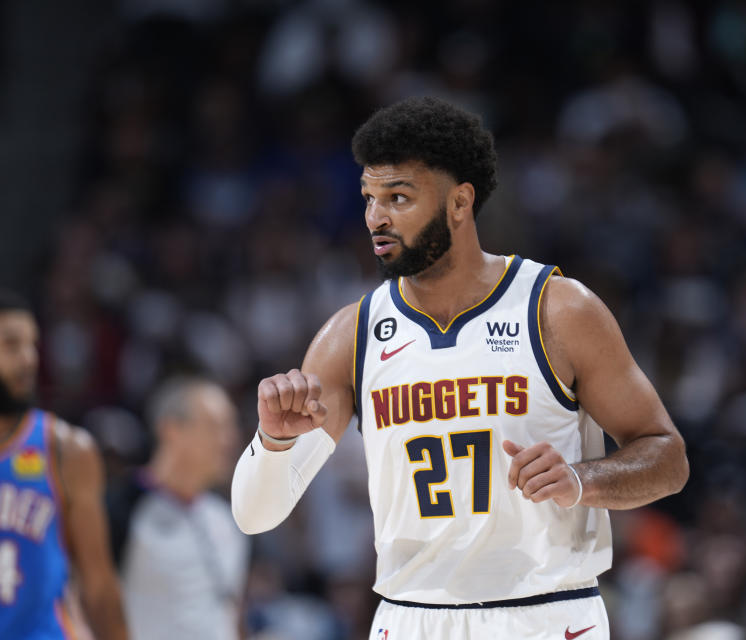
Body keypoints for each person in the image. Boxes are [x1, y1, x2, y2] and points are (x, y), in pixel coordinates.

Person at [231, 96, 689, 640]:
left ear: (459, 202)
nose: (377, 216)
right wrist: (274, 442)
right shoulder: (351, 334)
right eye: (369, 198)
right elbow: (254, 516)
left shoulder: (557, 309)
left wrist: (580, 479)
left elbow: (668, 457)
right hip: (411, 617)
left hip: (546, 612)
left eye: (398, 197)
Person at [0, 289, 128, 639]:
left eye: (32, 345)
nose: (29, 359)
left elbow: (99, 586)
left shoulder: (66, 449)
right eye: (12, 345)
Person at [111, 377, 248, 640]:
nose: (229, 440)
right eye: (215, 426)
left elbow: (228, 612)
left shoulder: (229, 517)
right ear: (170, 430)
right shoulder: (122, 509)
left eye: (231, 426)